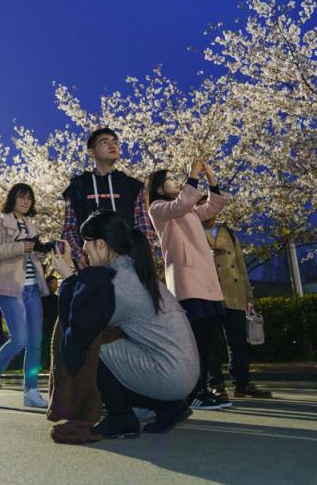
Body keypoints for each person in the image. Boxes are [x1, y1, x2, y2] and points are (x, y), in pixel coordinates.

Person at [52, 210, 199, 439]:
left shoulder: (119, 286)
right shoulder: (133, 272)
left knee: (90, 343)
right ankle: (167, 407)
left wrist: (69, 278)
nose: (83, 250)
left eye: (86, 243)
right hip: (180, 372)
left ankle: (121, 417)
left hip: (169, 375)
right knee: (106, 335)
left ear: (100, 244)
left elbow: (77, 328)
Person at [147, 159, 230, 410]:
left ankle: (201, 389)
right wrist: (193, 175)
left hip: (206, 280)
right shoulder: (158, 208)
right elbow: (182, 202)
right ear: (160, 189)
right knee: (196, 338)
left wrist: (211, 178)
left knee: (209, 337)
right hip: (187, 280)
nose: (177, 182)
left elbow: (214, 205)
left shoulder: (189, 210)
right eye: (172, 180)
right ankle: (192, 391)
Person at [0, 183, 51, 408]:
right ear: (12, 199)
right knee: (19, 339)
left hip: (32, 288)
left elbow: (31, 256)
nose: (26, 201)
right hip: (10, 288)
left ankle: (30, 391)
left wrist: (41, 251)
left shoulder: (31, 226)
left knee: (35, 342)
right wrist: (20, 247)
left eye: (29, 198)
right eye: (21, 197)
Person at [199, 200, 273, 399]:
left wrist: (248, 295)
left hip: (234, 293)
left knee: (238, 342)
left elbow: (240, 265)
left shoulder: (228, 232)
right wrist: (207, 255)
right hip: (209, 293)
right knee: (212, 342)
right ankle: (216, 384)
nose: (208, 212)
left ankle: (242, 383)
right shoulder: (192, 232)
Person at [62, 127, 155, 270]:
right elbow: (69, 229)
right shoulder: (77, 187)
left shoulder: (133, 186)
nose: (112, 145)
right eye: (105, 142)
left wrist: (144, 259)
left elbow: (143, 228)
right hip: (92, 264)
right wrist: (79, 255)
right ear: (91, 152)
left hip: (128, 263)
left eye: (115, 142)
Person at [41, 276, 60, 371]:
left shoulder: (57, 298)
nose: (55, 286)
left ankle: (50, 365)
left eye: (56, 284)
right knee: (46, 345)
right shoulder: (42, 298)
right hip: (46, 326)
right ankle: (45, 364)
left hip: (54, 326)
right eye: (53, 283)